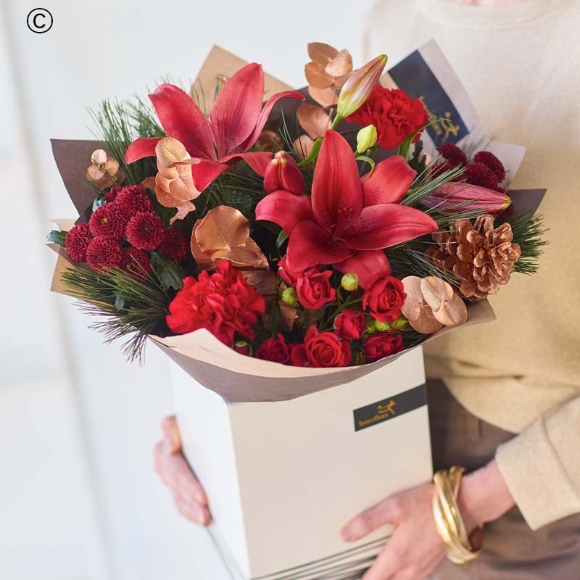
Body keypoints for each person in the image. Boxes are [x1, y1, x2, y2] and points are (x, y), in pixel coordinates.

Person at [153, 1, 580, 578]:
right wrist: (206, 428)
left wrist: (466, 504)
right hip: (358, 427)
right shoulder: (396, 14)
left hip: (518, 487)